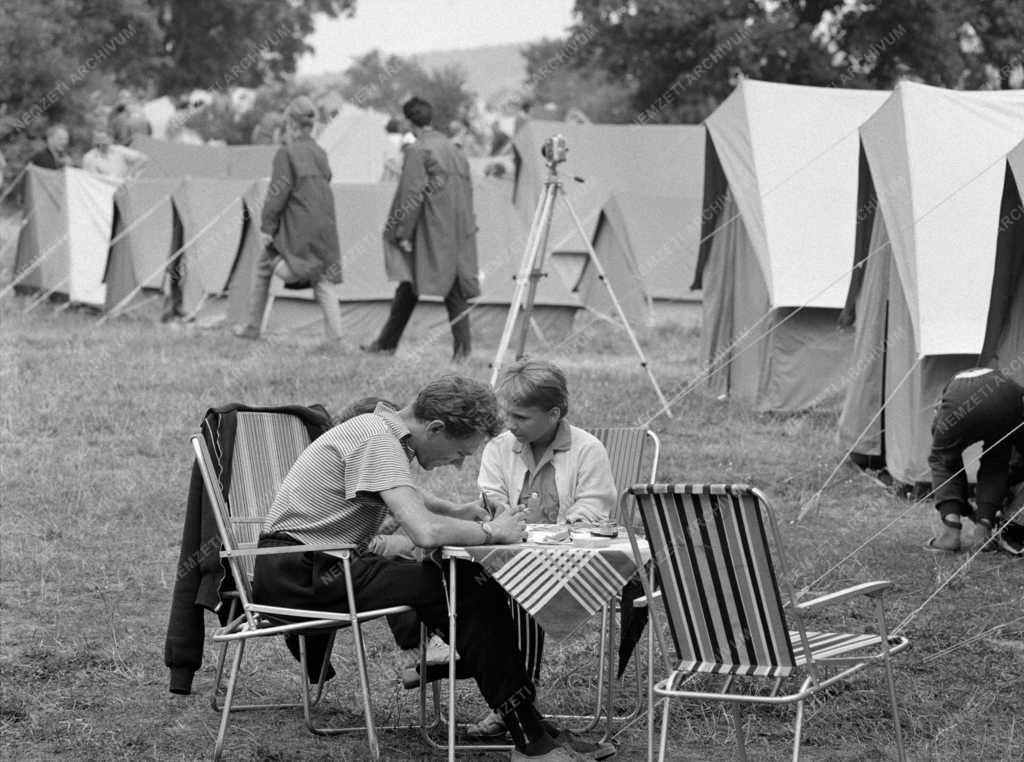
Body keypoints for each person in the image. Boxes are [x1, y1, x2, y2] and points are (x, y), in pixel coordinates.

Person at [252, 375, 590, 761]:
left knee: (465, 585)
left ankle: (524, 721)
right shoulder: (377, 440)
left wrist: (457, 512)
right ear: (435, 427)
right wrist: (492, 531)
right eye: (461, 451)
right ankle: (528, 735)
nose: (460, 462)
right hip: (301, 573)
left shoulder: (378, 431)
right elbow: (424, 532)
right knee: (466, 587)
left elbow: (406, 495)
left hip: (310, 566)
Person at [468, 359, 617, 743]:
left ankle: (515, 706)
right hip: (509, 555)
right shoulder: (501, 447)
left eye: (520, 416)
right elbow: (490, 498)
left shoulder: (587, 450)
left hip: (570, 561)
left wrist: (551, 529)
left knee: (523, 591)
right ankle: (510, 699)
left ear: (553, 414)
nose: (510, 424)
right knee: (467, 582)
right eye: (507, 414)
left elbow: (593, 507)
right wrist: (504, 515)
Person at [361, 96, 479, 362]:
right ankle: (386, 343)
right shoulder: (454, 149)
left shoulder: (418, 150)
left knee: (450, 289)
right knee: (410, 284)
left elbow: (411, 194)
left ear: (408, 121)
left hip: (433, 232)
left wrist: (403, 232)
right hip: (459, 229)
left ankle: (462, 353)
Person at [234, 96, 343, 344]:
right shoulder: (321, 153)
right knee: (323, 280)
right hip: (325, 227)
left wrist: (267, 228)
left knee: (266, 263)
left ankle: (252, 326)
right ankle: (336, 339)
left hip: (298, 229)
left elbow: (277, 194)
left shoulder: (287, 153)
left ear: (291, 125)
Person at [926, 367, 1024, 553]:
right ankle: (983, 533)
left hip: (962, 400)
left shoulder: (948, 398)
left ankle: (950, 534)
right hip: (1008, 394)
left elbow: (947, 461)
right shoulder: (986, 376)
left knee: (943, 460)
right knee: (996, 462)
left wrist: (957, 504)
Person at [82, 129, 147, 179]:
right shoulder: (89, 157)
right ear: (95, 141)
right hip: (102, 188)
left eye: (104, 139)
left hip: (121, 186)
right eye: (99, 140)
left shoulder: (119, 149)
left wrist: (129, 174)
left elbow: (143, 158)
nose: (102, 142)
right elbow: (90, 179)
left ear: (110, 139)